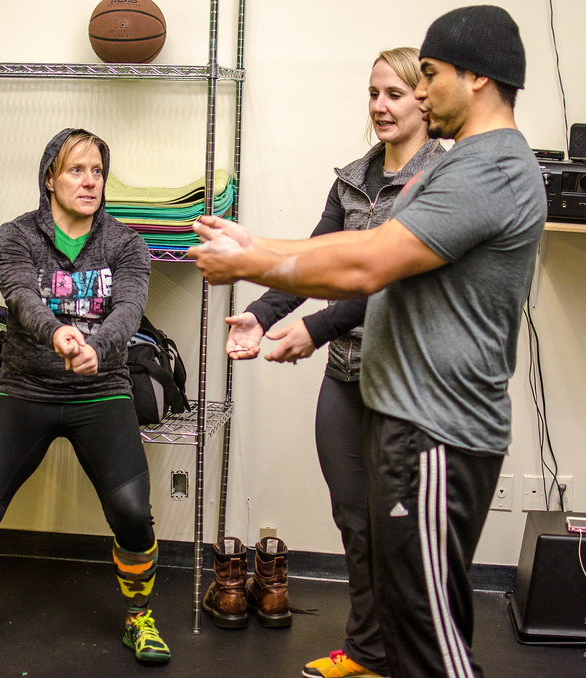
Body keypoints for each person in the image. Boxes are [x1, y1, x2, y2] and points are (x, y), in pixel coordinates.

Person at [188, 6, 546, 677]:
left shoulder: (488, 169)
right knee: (410, 631)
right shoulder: (459, 165)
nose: (418, 91)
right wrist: (257, 255)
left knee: (428, 638)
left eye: (429, 75)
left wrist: (248, 260)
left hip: (435, 432)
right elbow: (347, 247)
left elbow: (368, 266)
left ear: (475, 77)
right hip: (406, 422)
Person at [222, 47, 444, 678]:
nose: (379, 106)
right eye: (373, 93)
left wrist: (314, 328)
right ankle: (370, 652)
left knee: (404, 535)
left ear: (424, 102)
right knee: (356, 523)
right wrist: (262, 315)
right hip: (346, 379)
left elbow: (391, 284)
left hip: (410, 384)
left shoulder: (442, 181)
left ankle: (416, 658)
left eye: (394, 94)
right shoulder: (352, 178)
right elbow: (314, 260)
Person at [0, 128, 171, 664]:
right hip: (26, 387)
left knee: (131, 511)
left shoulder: (126, 244)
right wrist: (56, 333)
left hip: (101, 391)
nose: (90, 181)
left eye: (97, 171)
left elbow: (128, 308)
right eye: (77, 170)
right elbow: (21, 296)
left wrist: (98, 346)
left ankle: (139, 619)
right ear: (49, 178)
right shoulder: (15, 236)